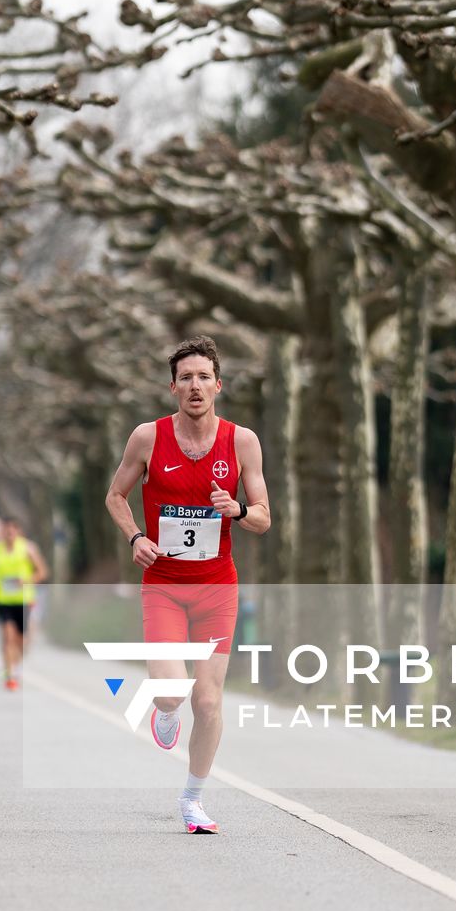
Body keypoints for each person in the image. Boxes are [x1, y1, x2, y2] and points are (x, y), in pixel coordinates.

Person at [106, 335, 270, 834]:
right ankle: (163, 710)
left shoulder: (241, 441)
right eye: (185, 378)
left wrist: (238, 510)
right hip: (164, 586)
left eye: (204, 377)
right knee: (174, 694)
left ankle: (193, 799)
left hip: (217, 588)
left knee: (208, 700)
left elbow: (263, 517)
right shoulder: (147, 438)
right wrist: (135, 536)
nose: (195, 386)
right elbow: (116, 495)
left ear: (218, 385)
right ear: (172, 387)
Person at [0, 516, 49, 690]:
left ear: (18, 531)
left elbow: (43, 572)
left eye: (12, 530)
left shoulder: (28, 548)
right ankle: (10, 674)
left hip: (23, 600)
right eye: (6, 531)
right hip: (3, 599)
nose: (9, 534)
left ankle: (16, 666)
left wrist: (27, 580)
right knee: (8, 637)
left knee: (21, 641)